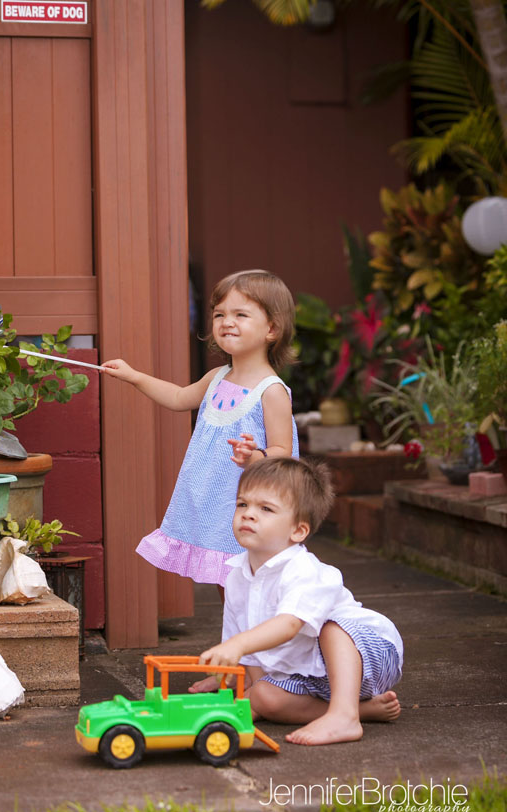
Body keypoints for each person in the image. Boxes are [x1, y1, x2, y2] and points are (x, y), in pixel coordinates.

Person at [100, 270, 299, 594]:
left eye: (240, 314)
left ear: (272, 329)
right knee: (228, 580)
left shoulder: (271, 391)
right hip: (213, 502)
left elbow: (283, 451)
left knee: (255, 580)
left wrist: (255, 456)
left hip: (251, 503)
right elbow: (179, 398)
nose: (226, 322)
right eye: (219, 314)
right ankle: (236, 640)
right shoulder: (218, 377)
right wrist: (133, 376)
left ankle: (259, 640)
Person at [199, 457, 403, 746]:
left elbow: (289, 624)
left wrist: (238, 644)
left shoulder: (304, 570)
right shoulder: (236, 577)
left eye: (265, 508)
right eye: (242, 504)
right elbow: (250, 655)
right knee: (262, 696)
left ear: (298, 531)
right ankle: (362, 710)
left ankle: (344, 714)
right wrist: (250, 697)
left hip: (368, 654)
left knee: (332, 627)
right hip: (309, 677)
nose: (248, 514)